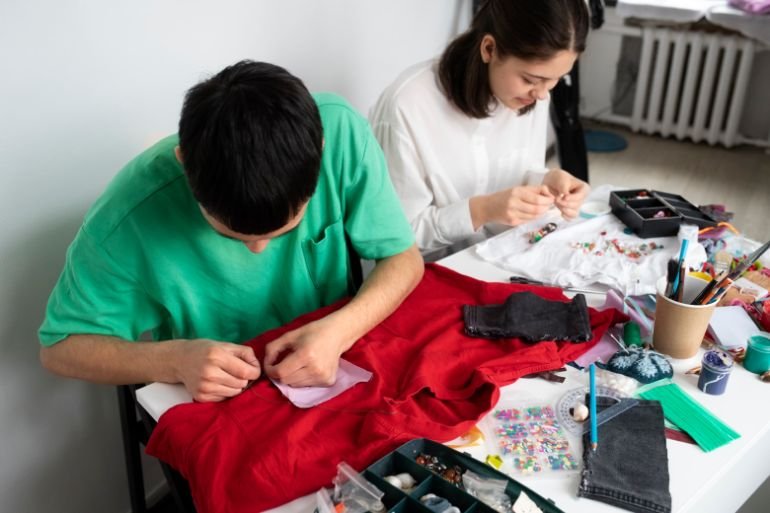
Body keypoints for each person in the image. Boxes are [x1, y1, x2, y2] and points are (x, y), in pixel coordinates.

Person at [39, 60, 424, 402]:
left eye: (282, 232)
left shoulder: (342, 130)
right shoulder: (127, 217)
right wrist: (174, 360)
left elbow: (404, 259)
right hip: (221, 399)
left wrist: (340, 331)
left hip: (337, 361)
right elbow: (60, 348)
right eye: (231, 235)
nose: (258, 250)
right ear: (184, 165)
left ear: (320, 151)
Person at [370, 0, 591, 261]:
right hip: (425, 276)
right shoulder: (408, 106)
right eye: (531, 79)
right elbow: (393, 237)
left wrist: (545, 181)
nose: (543, 94)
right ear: (489, 49)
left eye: (555, 79)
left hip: (501, 262)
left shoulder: (531, 95)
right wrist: (480, 210)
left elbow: (512, 175)